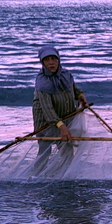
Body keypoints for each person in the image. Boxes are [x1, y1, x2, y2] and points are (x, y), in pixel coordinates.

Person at [33, 45, 89, 173]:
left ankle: (65, 176)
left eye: (54, 59)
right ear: (42, 62)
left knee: (67, 149)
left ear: (59, 60)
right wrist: (61, 126)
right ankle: (36, 178)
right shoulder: (42, 82)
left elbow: (74, 89)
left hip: (66, 118)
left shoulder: (66, 75)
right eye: (47, 60)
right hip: (46, 123)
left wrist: (80, 96)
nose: (51, 62)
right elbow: (47, 109)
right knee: (44, 151)